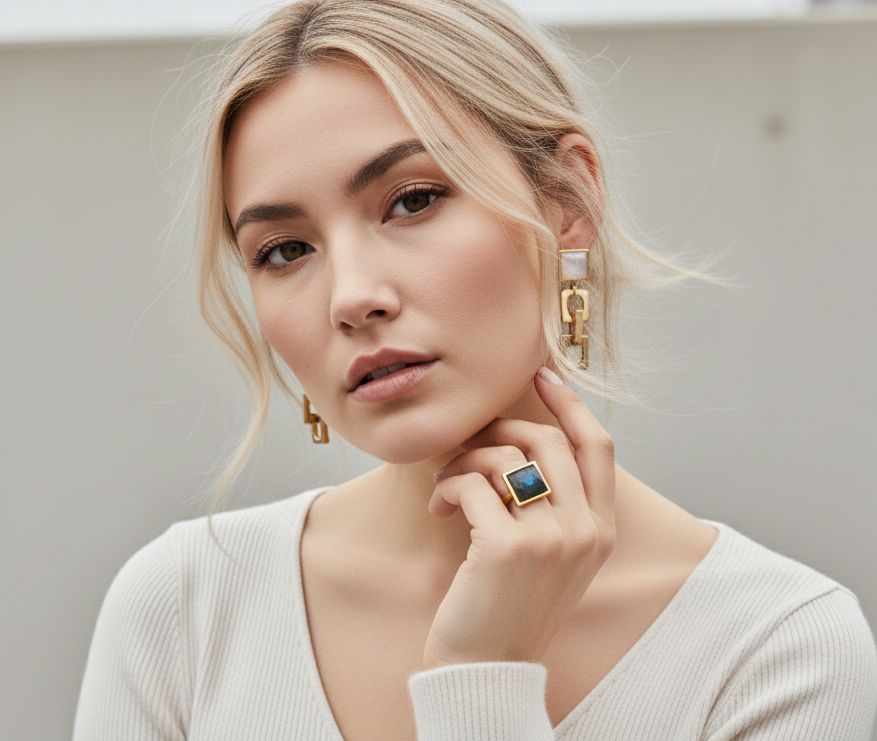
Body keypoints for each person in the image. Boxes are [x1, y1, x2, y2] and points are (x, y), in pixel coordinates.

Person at [73, 1, 877, 739]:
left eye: (413, 199)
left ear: (566, 198)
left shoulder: (775, 646)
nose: (352, 297)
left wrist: (480, 678)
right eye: (284, 250)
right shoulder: (184, 606)